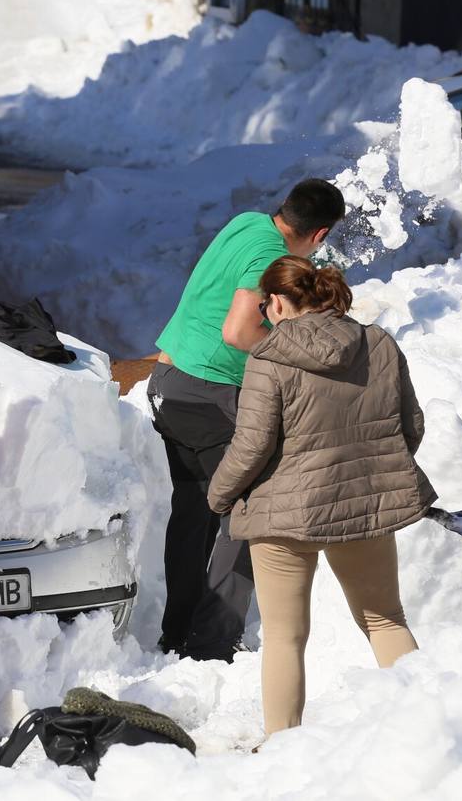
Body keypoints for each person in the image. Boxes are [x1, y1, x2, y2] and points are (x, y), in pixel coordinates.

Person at [206, 256, 434, 737]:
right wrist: (374, 470)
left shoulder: (268, 359)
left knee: (286, 640)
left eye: (267, 304)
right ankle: (426, 728)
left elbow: (251, 446)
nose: (266, 314)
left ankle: (283, 749)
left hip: (284, 516)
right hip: (364, 504)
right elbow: (410, 425)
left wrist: (219, 496)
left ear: (282, 303)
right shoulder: (379, 344)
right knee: (386, 620)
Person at [148, 179, 346, 661]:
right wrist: (298, 353)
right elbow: (238, 331)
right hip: (210, 393)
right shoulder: (269, 258)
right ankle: (211, 645)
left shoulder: (247, 224)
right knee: (253, 510)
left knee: (194, 513)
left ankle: (177, 633)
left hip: (168, 383)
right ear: (320, 234)